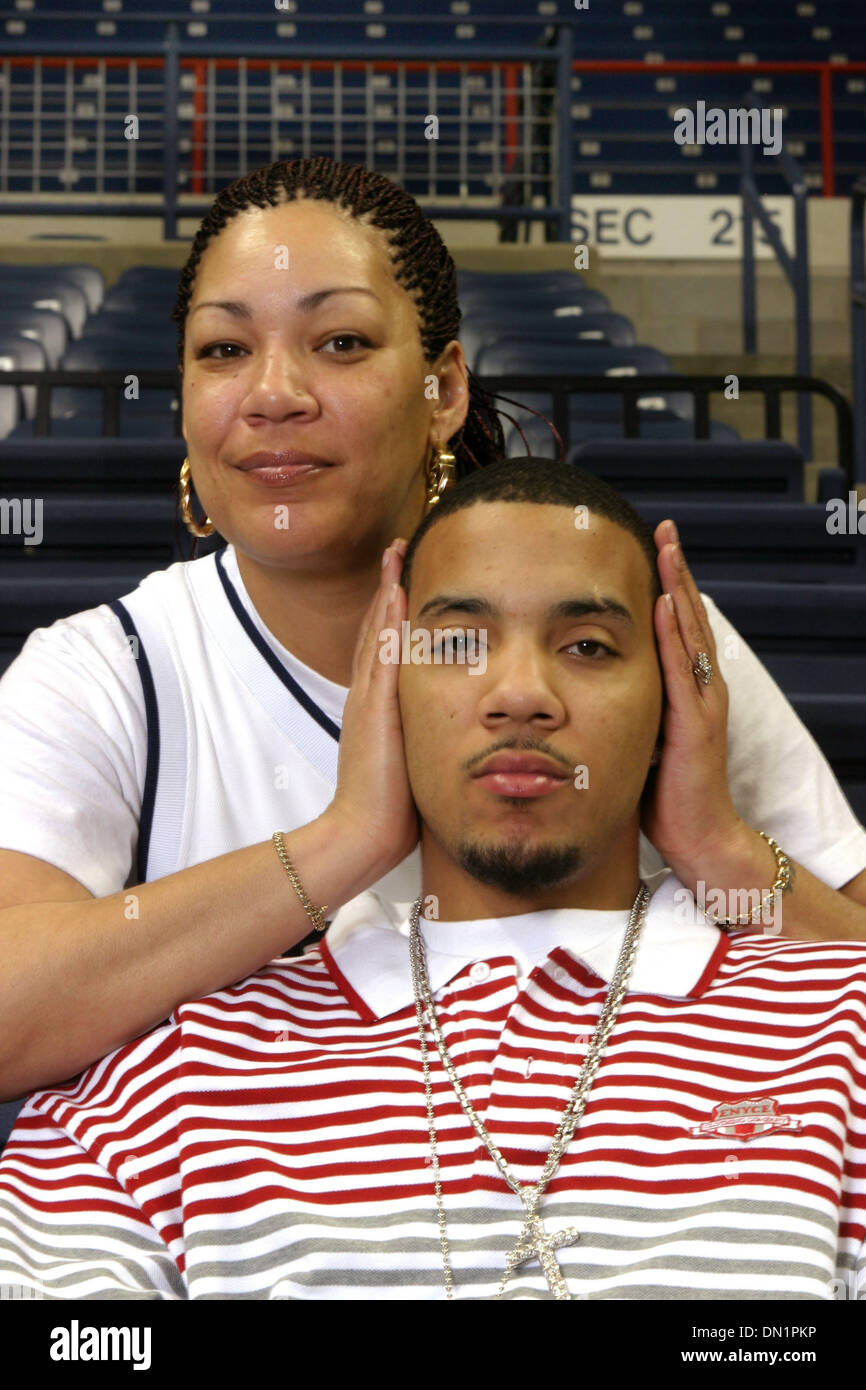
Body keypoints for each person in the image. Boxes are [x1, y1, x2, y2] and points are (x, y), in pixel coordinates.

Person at [1, 157, 865, 1112]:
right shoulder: (106, 673)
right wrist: (340, 846)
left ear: (443, 391)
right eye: (222, 350)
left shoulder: (632, 633)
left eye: (340, 341)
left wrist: (723, 851)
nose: (273, 393)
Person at [0, 458, 863, 1301]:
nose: (521, 694)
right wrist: (348, 832)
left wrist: (721, 844)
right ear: (382, 688)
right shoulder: (169, 1077)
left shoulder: (841, 1027)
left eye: (589, 646)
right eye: (455, 643)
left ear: (676, 699)